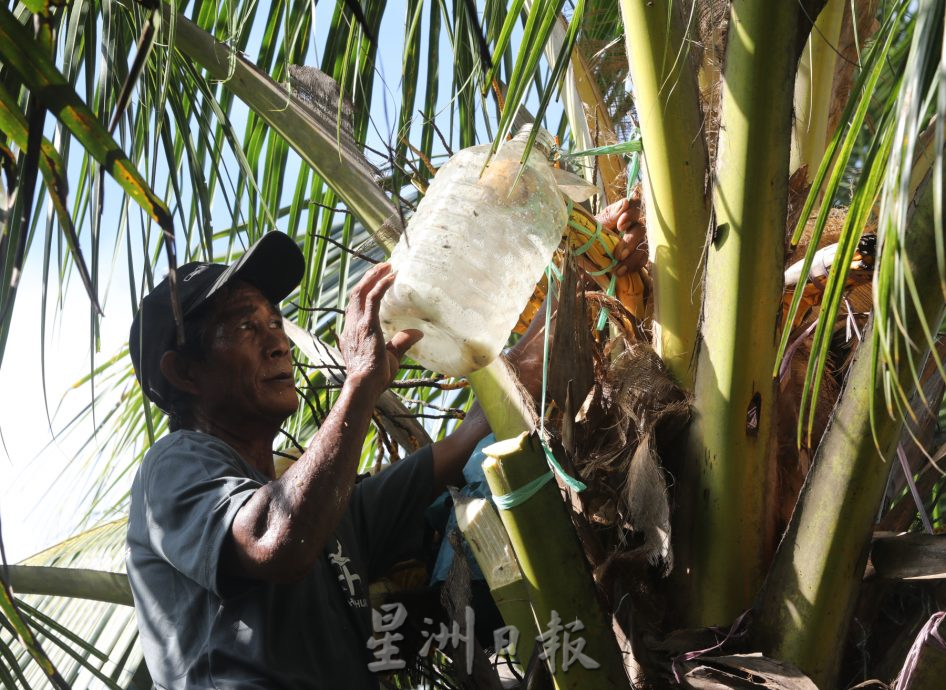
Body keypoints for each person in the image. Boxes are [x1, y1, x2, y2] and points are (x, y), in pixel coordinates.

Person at [125, 199, 644, 689]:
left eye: (275, 321)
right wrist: (361, 383)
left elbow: (478, 428)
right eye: (244, 324)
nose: (277, 341)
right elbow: (272, 538)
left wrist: (584, 258)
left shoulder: (331, 514)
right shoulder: (174, 467)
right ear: (186, 372)